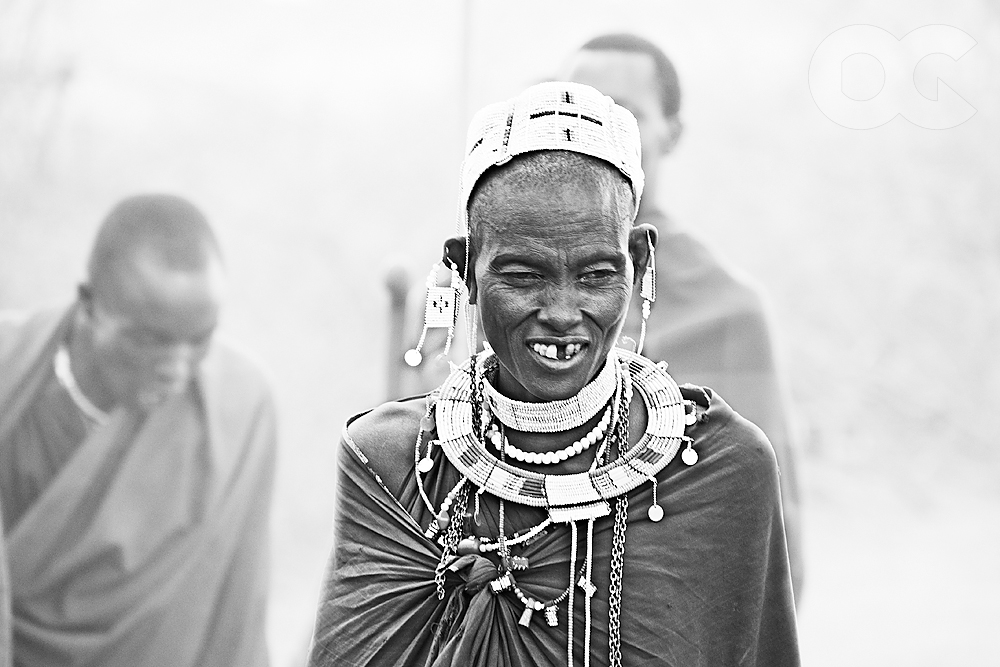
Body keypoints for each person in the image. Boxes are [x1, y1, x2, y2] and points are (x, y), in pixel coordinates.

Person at [310, 82, 799, 666]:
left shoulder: (724, 467)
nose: (564, 313)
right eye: (523, 275)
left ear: (639, 263)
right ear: (464, 268)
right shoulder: (388, 463)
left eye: (596, 275)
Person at [562, 33, 804, 598]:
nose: (598, 134)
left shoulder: (728, 314)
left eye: (625, 114)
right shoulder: (492, 298)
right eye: (580, 111)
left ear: (672, 133)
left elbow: (769, 540)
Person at [0, 194, 276, 667]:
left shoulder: (240, 409)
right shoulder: (11, 377)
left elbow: (236, 609)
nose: (177, 368)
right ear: (88, 304)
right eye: (150, 341)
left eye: (200, 339)